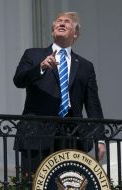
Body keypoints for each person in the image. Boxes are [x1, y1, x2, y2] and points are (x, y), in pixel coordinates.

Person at [13, 12, 105, 174]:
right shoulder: (33, 55)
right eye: (58, 21)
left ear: (75, 33)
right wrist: (40, 67)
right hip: (37, 134)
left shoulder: (85, 66)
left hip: (73, 135)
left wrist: (100, 138)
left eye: (67, 22)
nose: (61, 24)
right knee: (35, 183)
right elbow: (19, 80)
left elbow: (93, 104)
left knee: (70, 183)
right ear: (53, 31)